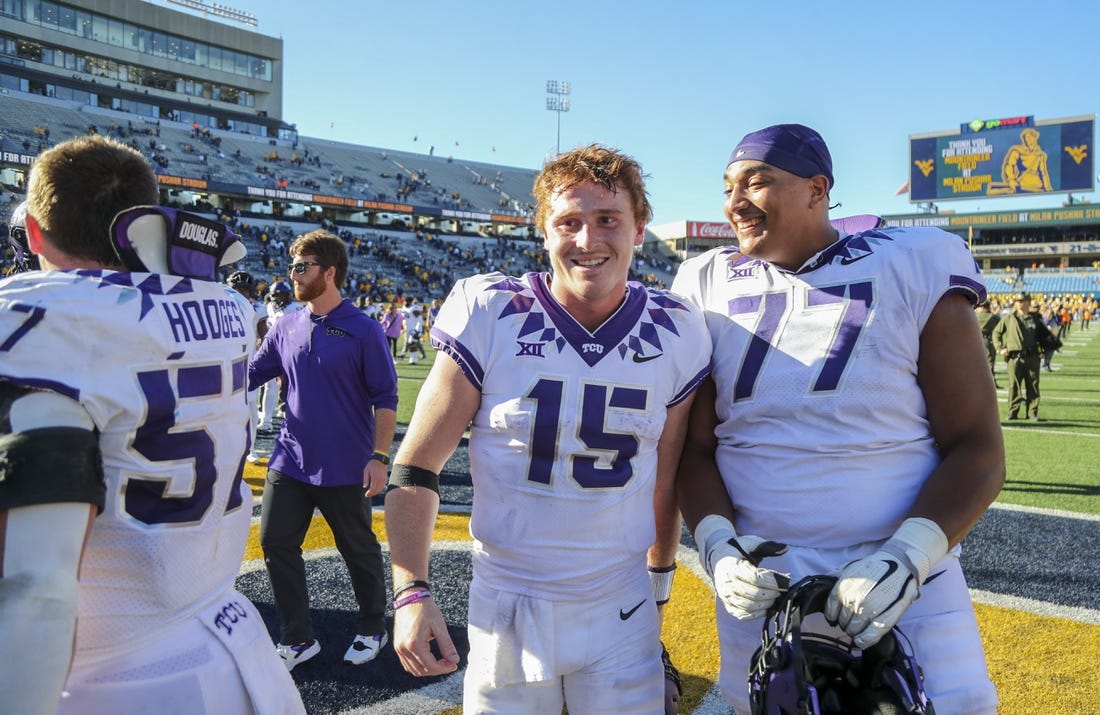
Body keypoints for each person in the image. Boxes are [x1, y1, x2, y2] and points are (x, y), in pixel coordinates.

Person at [672, 124, 1004, 715]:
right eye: (729, 187)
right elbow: (695, 451)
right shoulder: (705, 281)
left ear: (816, 189)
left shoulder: (916, 260)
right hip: (761, 587)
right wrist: (718, 546)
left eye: (758, 182)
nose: (735, 203)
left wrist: (909, 557)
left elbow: (977, 446)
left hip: (910, 581)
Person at [385, 144, 710, 714]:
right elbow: (416, 465)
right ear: (544, 231)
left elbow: (666, 477)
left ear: (639, 228)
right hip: (508, 606)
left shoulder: (678, 329)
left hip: (621, 606)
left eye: (608, 219)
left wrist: (658, 592)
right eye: (569, 222)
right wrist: (411, 590)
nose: (588, 240)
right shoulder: (491, 311)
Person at [0, 134, 304, 713]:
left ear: (34, 232)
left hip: (108, 676)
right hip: (232, 645)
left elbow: (37, 590)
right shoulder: (232, 309)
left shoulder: (47, 321)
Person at [248, 229, 398, 671]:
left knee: (358, 550)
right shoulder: (286, 323)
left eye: (301, 266)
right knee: (275, 541)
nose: (292, 274)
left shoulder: (365, 330)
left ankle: (373, 626)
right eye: (292, 265)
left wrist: (380, 457)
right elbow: (251, 374)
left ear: (329, 272)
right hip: (289, 458)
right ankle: (297, 638)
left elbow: (385, 399)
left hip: (345, 464)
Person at [992, 292, 1055, 420]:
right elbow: (996, 332)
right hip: (1015, 357)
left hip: (1032, 357)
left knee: (1033, 385)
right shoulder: (1009, 318)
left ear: (1028, 302)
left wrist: (1044, 350)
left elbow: (1045, 335)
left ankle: (1032, 412)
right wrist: (1000, 348)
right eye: (1018, 301)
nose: (1020, 303)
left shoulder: (1035, 319)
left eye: (1022, 301)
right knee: (1014, 385)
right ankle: (1013, 411)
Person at [228, 270, 270, 462]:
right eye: (238, 289)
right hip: (226, 361)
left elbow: (265, 338)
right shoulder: (222, 305)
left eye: (245, 290)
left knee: (251, 407)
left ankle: (251, 449)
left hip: (247, 363)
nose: (241, 293)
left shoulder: (258, 309)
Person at [258, 279, 302, 430]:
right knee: (270, 387)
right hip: (273, 350)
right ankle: (266, 420)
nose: (281, 298)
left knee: (293, 386)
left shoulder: (295, 307)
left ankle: (290, 417)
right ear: (272, 296)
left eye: (284, 295)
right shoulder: (269, 307)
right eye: (278, 295)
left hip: (291, 350)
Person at [974, 298, 1001, 386]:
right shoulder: (993, 317)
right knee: (990, 361)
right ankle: (991, 382)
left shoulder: (975, 316)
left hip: (975, 340)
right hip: (988, 340)